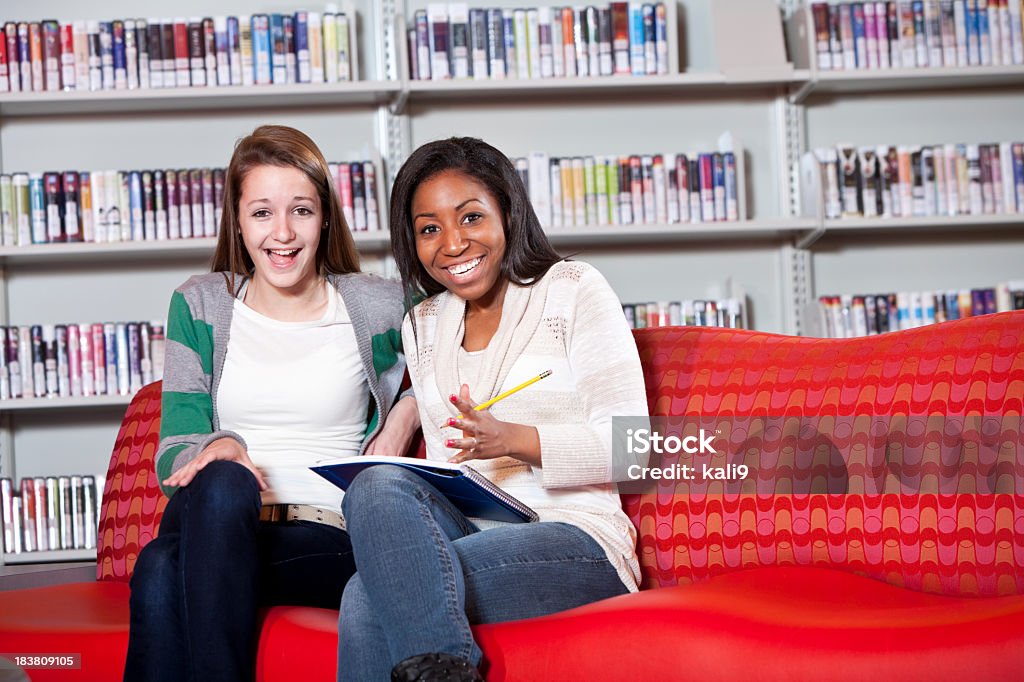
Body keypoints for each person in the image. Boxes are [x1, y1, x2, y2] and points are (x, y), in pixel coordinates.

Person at [337, 137, 649, 681]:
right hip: (471, 532)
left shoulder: (572, 290)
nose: (453, 244)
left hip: (577, 537)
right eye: (429, 228)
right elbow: (445, 467)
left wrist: (516, 440)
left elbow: (633, 450)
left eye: (471, 217)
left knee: (367, 594)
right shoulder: (424, 324)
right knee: (373, 484)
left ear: (507, 210)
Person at [124, 125, 419, 682]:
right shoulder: (201, 304)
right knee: (227, 479)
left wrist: (408, 410)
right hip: (217, 515)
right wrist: (224, 445)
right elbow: (173, 455)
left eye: (301, 211)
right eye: (261, 213)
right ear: (237, 221)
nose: (282, 233)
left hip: (326, 537)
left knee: (160, 570)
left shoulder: (376, 304)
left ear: (326, 217)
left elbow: (461, 333)